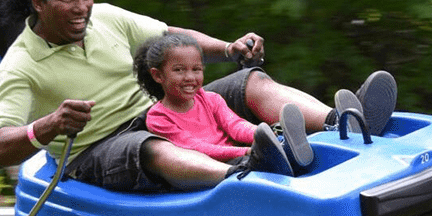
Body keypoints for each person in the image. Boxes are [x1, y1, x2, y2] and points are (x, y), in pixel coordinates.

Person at [0, 0, 397, 192]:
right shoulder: (20, 66)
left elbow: (171, 37)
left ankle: (340, 122)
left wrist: (228, 49)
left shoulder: (106, 18)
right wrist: (50, 123)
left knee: (248, 81)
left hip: (162, 108)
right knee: (149, 145)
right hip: (100, 148)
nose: (81, 7)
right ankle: (248, 170)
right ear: (39, 3)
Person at [133, 31, 313, 177]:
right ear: (158, 75)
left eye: (196, 69)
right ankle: (274, 157)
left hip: (241, 154)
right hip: (213, 167)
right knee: (251, 164)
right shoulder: (158, 118)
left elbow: (235, 126)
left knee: (266, 143)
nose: (190, 78)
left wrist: (260, 134)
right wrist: (245, 152)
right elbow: (196, 148)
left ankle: (284, 140)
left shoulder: (210, 99)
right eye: (179, 70)